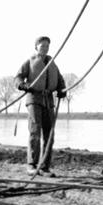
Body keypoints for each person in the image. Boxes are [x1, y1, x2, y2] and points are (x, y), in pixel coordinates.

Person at [14, 36, 66, 177]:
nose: (45, 48)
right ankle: (32, 164)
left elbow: (60, 79)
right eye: (42, 45)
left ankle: (44, 166)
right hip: (34, 99)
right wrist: (23, 85)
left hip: (48, 101)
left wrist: (62, 90)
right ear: (36, 47)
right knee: (35, 131)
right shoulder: (30, 62)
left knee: (50, 135)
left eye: (47, 46)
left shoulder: (52, 63)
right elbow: (18, 78)